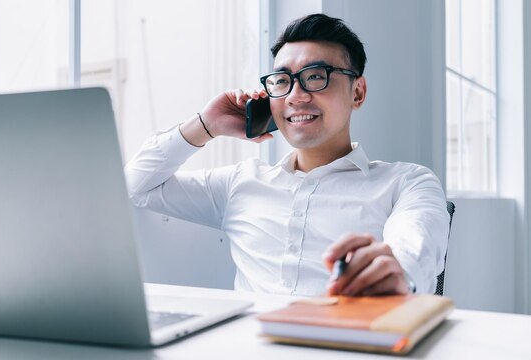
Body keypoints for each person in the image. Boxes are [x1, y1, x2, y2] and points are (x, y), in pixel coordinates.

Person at [124, 13, 449, 297]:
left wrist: (395, 273)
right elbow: (135, 186)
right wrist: (206, 126)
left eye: (315, 77)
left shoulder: (407, 182)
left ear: (358, 91)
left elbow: (415, 245)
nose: (296, 96)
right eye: (282, 81)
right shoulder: (240, 182)